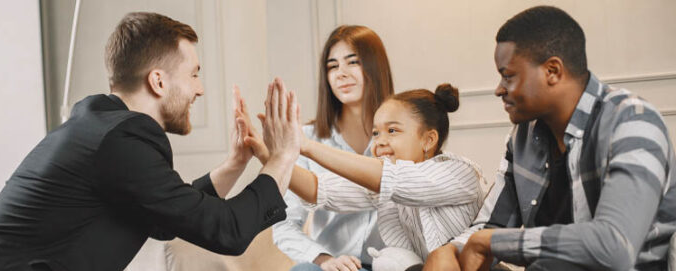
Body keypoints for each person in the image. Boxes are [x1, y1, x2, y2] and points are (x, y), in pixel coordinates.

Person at [0, 12, 301, 271]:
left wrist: (234, 164)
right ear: (159, 82)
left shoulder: (101, 126)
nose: (200, 88)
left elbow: (164, 219)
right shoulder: (121, 140)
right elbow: (229, 231)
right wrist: (282, 157)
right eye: (193, 74)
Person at [423, 6, 676, 271]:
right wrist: (451, 250)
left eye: (508, 76)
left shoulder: (632, 121)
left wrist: (496, 242)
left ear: (552, 71)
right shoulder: (523, 135)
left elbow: (615, 246)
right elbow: (492, 226)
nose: (499, 89)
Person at [237, 82, 486, 271]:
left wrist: (306, 145)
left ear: (428, 139)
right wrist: (271, 155)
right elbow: (318, 189)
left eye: (392, 130)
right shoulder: (383, 186)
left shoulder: (458, 173)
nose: (380, 141)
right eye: (376, 133)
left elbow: (391, 178)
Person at [271, 25, 394, 271]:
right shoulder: (306, 139)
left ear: (375, 67)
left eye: (352, 62)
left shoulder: (403, 135)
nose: (341, 73)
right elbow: (284, 223)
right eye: (333, 66)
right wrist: (323, 259)